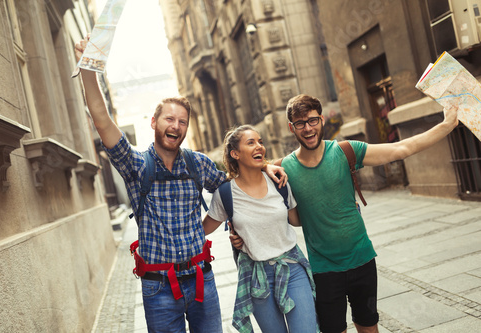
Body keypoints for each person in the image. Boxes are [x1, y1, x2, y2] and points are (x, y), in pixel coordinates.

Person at [73, 38, 287, 333]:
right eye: (169, 119)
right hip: (158, 288)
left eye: (182, 121)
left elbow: (235, 184)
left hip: (202, 280)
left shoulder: (197, 163)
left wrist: (264, 166)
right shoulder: (135, 165)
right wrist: (89, 67)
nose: (175, 126)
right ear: (154, 122)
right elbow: (101, 119)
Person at [273, 94, 459, 333]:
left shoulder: (345, 151)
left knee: (369, 326)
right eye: (300, 123)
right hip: (325, 270)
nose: (308, 128)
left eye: (312, 120)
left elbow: (401, 148)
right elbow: (244, 182)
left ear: (321, 120)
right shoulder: (283, 168)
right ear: (292, 127)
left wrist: (447, 125)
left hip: (362, 260)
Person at [203, 125, 319, 333]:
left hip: (291, 268)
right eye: (251, 143)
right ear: (235, 153)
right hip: (256, 276)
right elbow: (202, 229)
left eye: (260, 142)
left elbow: (296, 219)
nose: (259, 146)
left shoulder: (278, 182)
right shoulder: (225, 194)